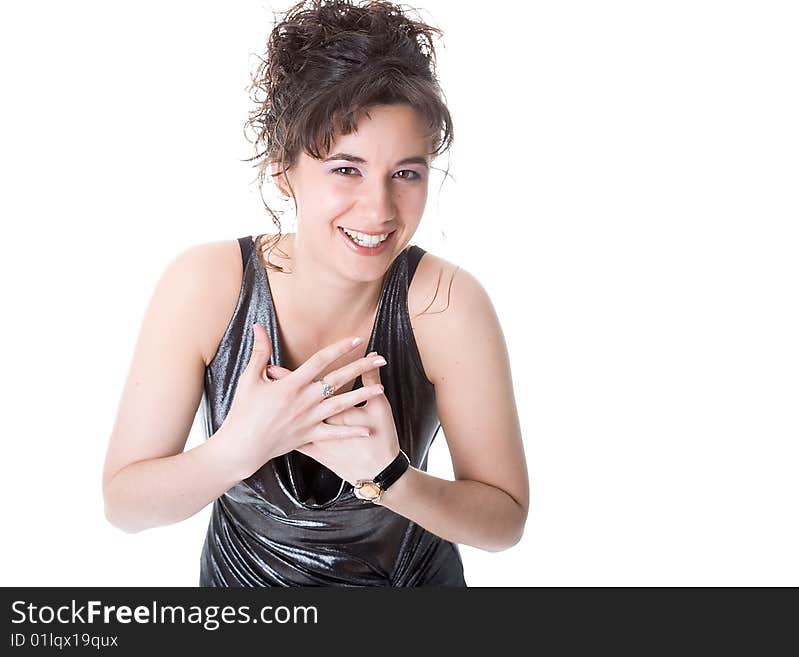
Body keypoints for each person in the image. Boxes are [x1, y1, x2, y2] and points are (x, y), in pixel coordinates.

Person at [102, 0, 529, 586]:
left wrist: (391, 477)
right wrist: (238, 449)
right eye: (345, 169)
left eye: (406, 172)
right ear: (284, 169)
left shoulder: (446, 303)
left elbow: (504, 521)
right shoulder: (206, 286)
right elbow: (124, 504)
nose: (379, 210)